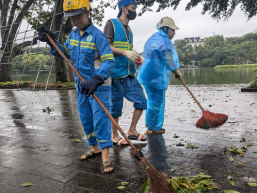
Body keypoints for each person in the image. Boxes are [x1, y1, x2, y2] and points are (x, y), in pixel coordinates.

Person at [38, 0, 115, 174]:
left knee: (100, 119)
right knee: (86, 118)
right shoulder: (73, 36)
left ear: (88, 12)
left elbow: (109, 61)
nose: (76, 20)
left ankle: (106, 155)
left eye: (79, 15)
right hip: (81, 86)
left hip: (98, 85)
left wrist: (96, 78)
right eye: (72, 17)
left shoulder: (98, 36)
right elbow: (65, 54)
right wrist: (52, 42)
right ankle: (94, 148)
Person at [103, 0, 147, 145]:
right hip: (115, 75)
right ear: (124, 8)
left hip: (129, 74)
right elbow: (105, 47)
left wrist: (135, 58)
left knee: (141, 101)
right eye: (133, 8)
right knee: (115, 108)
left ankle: (132, 130)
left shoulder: (130, 30)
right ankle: (114, 136)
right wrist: (124, 52)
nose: (135, 11)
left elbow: (127, 51)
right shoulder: (112, 24)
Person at [137, 17, 182, 134]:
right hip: (156, 77)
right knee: (156, 102)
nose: (174, 33)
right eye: (173, 30)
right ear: (166, 29)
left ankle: (150, 124)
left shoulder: (153, 38)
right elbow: (170, 61)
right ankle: (153, 128)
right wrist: (175, 70)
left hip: (147, 75)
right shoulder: (165, 43)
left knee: (152, 100)